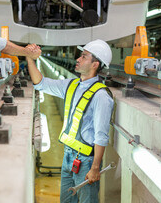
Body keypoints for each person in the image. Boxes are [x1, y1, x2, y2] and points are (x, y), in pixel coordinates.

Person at [26, 40, 114, 203]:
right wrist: (29, 58)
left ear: (95, 64)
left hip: (87, 161)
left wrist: (95, 167)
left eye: (84, 57)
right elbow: (41, 84)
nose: (78, 59)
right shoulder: (71, 85)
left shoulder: (101, 96)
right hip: (68, 156)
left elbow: (101, 135)